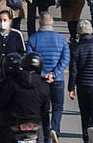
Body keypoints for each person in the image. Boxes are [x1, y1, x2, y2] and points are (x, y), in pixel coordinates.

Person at [27, 12, 70, 142]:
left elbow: (30, 60)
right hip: (58, 79)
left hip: (40, 80)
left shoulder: (33, 39)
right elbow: (65, 58)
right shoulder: (61, 39)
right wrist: (55, 73)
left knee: (43, 108)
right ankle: (55, 129)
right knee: (57, 107)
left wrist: (43, 74)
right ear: (52, 23)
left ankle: (46, 135)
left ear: (40, 23)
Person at [68, 19, 93, 143]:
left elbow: (73, 71)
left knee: (84, 113)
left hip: (82, 85)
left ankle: (86, 138)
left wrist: (71, 88)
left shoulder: (76, 49)